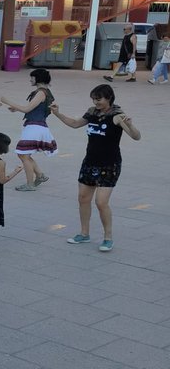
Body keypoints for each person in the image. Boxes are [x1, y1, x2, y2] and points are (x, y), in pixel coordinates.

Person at [52, 84, 141, 252]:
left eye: (98, 99)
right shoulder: (92, 112)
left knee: (101, 202)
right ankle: (84, 234)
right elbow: (75, 123)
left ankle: (108, 238)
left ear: (109, 98)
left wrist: (131, 125)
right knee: (83, 198)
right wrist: (57, 114)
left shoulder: (117, 116)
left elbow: (136, 137)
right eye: (93, 98)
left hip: (109, 164)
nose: (95, 102)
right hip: (90, 162)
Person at [1, 68, 56, 191]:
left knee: (23, 154)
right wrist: (16, 108)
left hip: (34, 127)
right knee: (25, 154)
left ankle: (30, 184)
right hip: (37, 126)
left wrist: (7, 101)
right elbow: (33, 108)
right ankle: (40, 175)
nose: (30, 79)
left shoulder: (41, 93)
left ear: (38, 79)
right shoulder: (45, 92)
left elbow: (27, 109)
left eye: (32, 77)